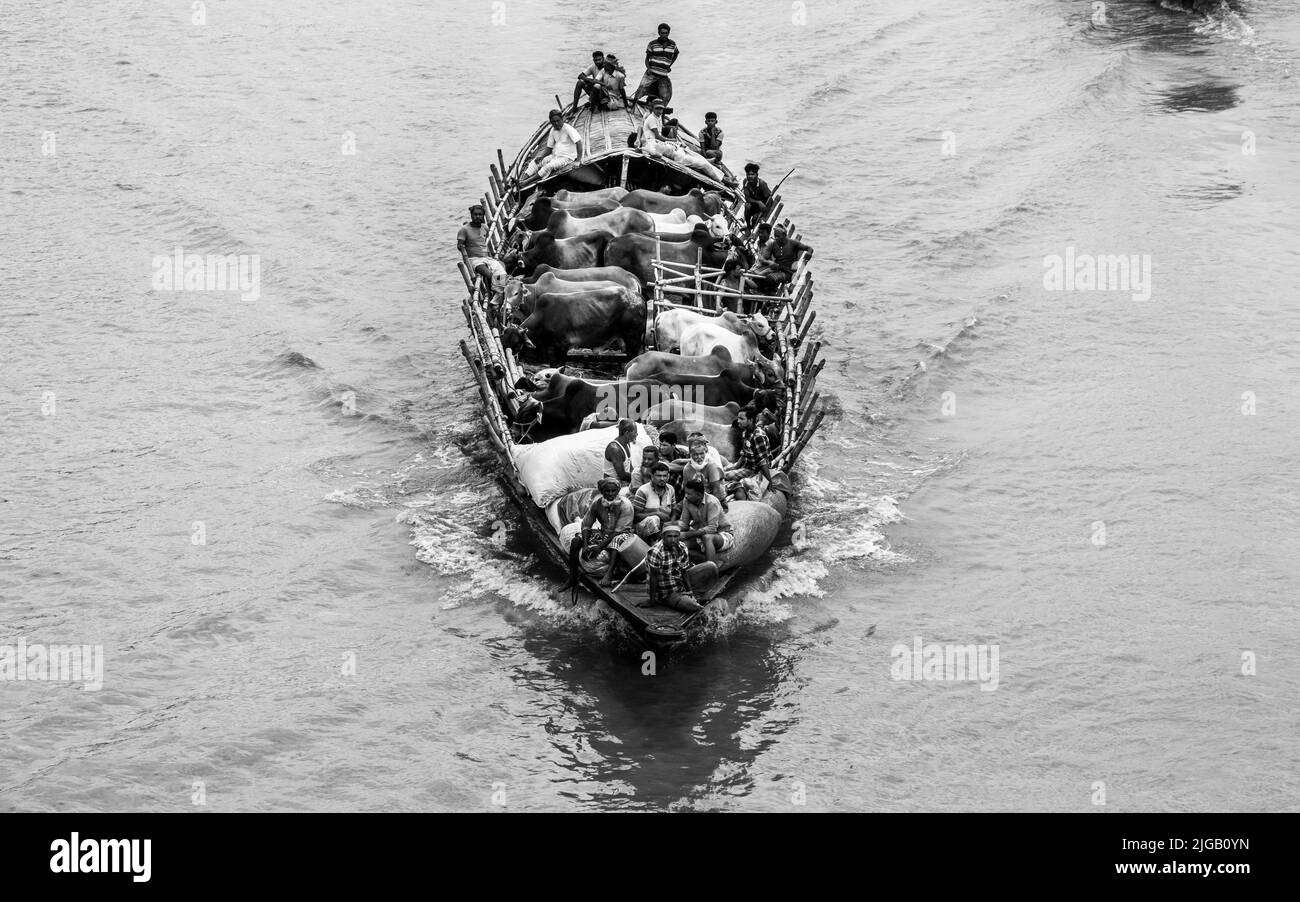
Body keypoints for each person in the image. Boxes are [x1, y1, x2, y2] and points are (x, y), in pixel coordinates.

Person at [645, 523, 718, 613]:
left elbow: (684, 571)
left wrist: (689, 590)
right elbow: (653, 577)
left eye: (676, 536)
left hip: (679, 584)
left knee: (711, 566)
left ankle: (693, 595)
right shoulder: (656, 552)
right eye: (669, 536)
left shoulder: (682, 547)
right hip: (667, 593)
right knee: (694, 607)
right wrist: (652, 601)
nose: (673, 540)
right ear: (663, 536)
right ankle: (688, 599)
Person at [581, 478, 641, 586]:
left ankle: (609, 574)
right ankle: (573, 575)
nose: (610, 494)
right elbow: (586, 524)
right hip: (605, 533)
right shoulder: (597, 504)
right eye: (607, 491)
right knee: (577, 540)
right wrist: (585, 545)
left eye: (613, 491)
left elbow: (619, 530)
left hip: (624, 534)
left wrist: (599, 546)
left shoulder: (625, 505)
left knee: (616, 541)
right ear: (602, 491)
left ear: (618, 491)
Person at [456, 205, 506, 311]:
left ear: (483, 216)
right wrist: (463, 248)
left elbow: (483, 240)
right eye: (475, 214)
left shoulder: (484, 227)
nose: (478, 217)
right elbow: (460, 246)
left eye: (480, 214)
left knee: (501, 272)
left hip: (486, 257)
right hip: (474, 260)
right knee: (490, 275)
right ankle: (496, 299)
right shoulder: (464, 230)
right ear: (471, 215)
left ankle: (498, 297)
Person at [678, 478, 734, 563]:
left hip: (721, 535)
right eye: (686, 493)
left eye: (689, 494)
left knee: (707, 537)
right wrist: (674, 531)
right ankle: (710, 561)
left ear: (699, 495)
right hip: (699, 536)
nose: (686, 496)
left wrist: (686, 534)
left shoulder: (712, 502)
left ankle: (711, 569)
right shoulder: (687, 501)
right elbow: (684, 523)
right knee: (681, 546)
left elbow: (712, 529)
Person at [724, 405, 772, 500]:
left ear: (750, 420)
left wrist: (769, 481)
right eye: (738, 418)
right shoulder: (745, 432)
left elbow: (763, 461)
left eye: (742, 419)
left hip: (755, 470)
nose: (738, 421)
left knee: (727, 476)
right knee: (724, 469)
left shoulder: (758, 436)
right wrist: (735, 466)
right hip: (747, 466)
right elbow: (744, 453)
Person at [749, 223, 811, 293]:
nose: (776, 238)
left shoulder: (793, 243)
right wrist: (769, 262)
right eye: (775, 236)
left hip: (788, 273)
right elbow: (763, 259)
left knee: (770, 279)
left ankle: (768, 293)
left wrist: (809, 253)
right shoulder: (774, 244)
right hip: (776, 269)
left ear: (784, 235)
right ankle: (759, 291)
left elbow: (809, 248)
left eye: (778, 236)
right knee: (757, 277)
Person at [525, 110, 584, 182]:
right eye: (553, 122)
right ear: (551, 122)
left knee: (548, 166)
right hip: (555, 155)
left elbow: (579, 143)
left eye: (558, 120)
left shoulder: (568, 129)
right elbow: (549, 148)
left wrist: (578, 160)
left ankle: (526, 182)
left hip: (567, 157)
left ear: (562, 119)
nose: (556, 123)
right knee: (534, 162)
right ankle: (522, 179)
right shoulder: (553, 131)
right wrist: (541, 156)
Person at [670, 434, 726, 505]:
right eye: (696, 454)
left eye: (701, 454)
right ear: (690, 452)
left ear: (705, 449)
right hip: (695, 499)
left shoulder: (711, 465)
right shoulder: (687, 468)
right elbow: (686, 489)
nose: (699, 457)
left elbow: (716, 490)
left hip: (712, 499)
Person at [632, 462, 678, 540]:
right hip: (644, 528)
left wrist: (672, 522)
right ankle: (655, 544)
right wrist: (657, 514)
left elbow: (674, 511)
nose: (662, 479)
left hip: (664, 526)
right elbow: (635, 516)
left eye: (664, 476)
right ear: (652, 476)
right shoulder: (643, 491)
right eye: (659, 476)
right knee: (654, 519)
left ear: (668, 476)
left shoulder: (670, 489)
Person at [636, 23, 678, 105]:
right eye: (662, 33)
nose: (664, 35)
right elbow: (647, 58)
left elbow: (676, 54)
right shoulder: (652, 44)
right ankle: (633, 105)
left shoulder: (673, 44)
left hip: (663, 74)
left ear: (668, 33)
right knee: (640, 90)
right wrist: (648, 68)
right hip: (651, 73)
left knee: (665, 96)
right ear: (659, 33)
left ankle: (661, 111)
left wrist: (669, 65)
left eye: (666, 33)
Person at [603, 418, 638, 489]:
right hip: (612, 488)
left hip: (623, 485)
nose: (636, 435)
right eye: (635, 432)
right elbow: (622, 475)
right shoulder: (614, 449)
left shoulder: (627, 444)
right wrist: (639, 477)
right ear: (627, 433)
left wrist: (637, 473)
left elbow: (629, 466)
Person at [742, 162, 772, 227]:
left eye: (752, 174)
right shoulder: (745, 182)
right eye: (748, 174)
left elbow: (770, 201)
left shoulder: (762, 184)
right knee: (747, 206)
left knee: (755, 219)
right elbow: (747, 198)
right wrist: (758, 202)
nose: (750, 176)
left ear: (757, 175)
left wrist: (765, 215)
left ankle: (753, 226)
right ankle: (748, 227)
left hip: (763, 207)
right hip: (755, 205)